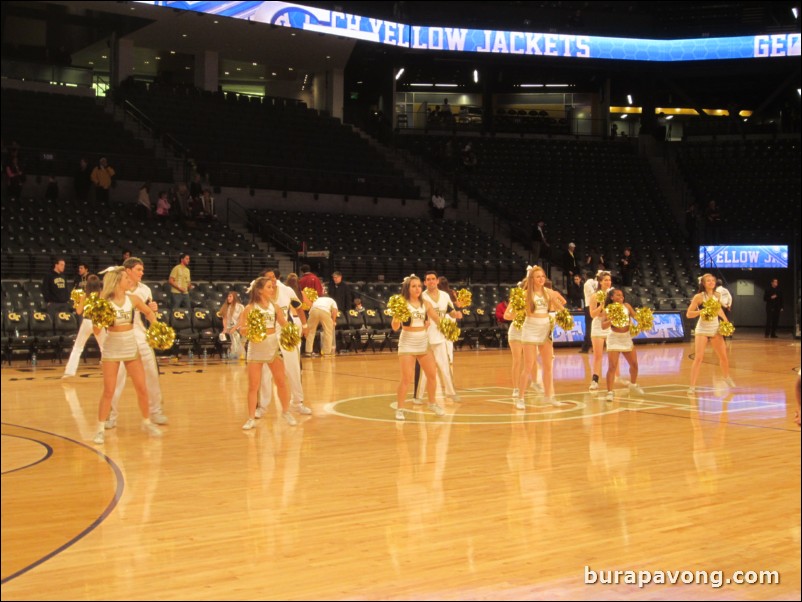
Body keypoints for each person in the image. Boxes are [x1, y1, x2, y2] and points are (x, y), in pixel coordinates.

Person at [91, 267, 162, 445]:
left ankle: (146, 422)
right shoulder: (104, 302)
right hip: (112, 348)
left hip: (131, 346)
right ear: (117, 282)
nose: (129, 281)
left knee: (141, 387)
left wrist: (155, 326)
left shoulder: (134, 299)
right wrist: (99, 318)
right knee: (108, 390)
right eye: (125, 278)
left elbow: (149, 312)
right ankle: (100, 428)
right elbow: (96, 330)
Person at [106, 257, 170, 429]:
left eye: (142, 270)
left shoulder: (145, 290)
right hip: (119, 335)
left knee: (151, 373)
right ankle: (111, 415)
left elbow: (149, 311)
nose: (142, 273)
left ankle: (155, 411)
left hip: (140, 334)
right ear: (127, 271)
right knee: (117, 377)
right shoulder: (113, 290)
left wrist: (154, 318)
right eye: (138, 270)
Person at [237, 277, 296, 430]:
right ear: (260, 290)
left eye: (272, 287)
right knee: (253, 386)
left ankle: (286, 412)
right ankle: (250, 418)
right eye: (269, 287)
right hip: (255, 350)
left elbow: (283, 323)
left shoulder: (274, 307)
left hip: (272, 348)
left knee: (281, 382)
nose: (272, 289)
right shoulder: (249, 308)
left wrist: (292, 331)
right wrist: (252, 330)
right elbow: (242, 329)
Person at [256, 269, 311, 418]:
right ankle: (262, 406)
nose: (272, 280)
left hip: (286, 330)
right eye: (268, 278)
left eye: (273, 277)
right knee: (265, 371)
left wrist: (305, 326)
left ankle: (298, 403)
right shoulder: (257, 294)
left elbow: (299, 308)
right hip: (266, 333)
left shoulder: (287, 291)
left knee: (294, 367)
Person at [391, 275, 443, 421]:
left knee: (432, 375)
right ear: (407, 288)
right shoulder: (402, 304)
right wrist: (397, 317)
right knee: (406, 378)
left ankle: (432, 403)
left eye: (419, 286)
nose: (417, 289)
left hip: (423, 342)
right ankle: (400, 409)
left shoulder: (425, 303)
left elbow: (437, 319)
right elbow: (395, 327)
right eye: (414, 286)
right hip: (407, 342)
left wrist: (448, 327)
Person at [516, 266, 564, 409]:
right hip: (530, 329)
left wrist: (562, 313)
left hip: (545, 329)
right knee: (529, 366)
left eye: (543, 276)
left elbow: (560, 306)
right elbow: (515, 311)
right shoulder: (525, 294)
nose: (541, 279)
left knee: (548, 365)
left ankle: (549, 396)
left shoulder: (548, 292)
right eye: (538, 277)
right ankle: (520, 398)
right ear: (532, 279)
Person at [413, 271, 462, 405]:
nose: (431, 281)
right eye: (428, 279)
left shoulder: (445, 296)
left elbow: (450, 312)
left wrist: (456, 314)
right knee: (425, 370)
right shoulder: (421, 297)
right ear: (424, 282)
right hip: (426, 337)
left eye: (433, 279)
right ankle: (418, 396)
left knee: (445, 366)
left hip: (441, 336)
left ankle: (451, 393)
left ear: (437, 281)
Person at [686, 273, 735, 394]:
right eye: (708, 281)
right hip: (702, 329)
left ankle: (726, 377)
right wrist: (701, 311)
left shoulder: (717, 295)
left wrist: (725, 320)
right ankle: (692, 386)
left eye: (712, 280)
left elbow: (718, 309)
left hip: (715, 328)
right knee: (698, 358)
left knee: (723, 356)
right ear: (703, 283)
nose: (711, 282)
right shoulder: (699, 297)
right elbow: (688, 314)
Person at [600, 288, 644, 402]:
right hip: (614, 338)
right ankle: (610, 392)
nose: (621, 297)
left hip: (626, 337)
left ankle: (633, 385)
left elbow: (636, 317)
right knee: (612, 366)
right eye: (618, 295)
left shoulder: (627, 306)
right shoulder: (608, 309)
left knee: (634, 364)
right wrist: (612, 319)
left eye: (622, 295)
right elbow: (603, 326)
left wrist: (643, 320)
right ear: (612, 297)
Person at [62, 274, 105, 378]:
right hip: (98, 321)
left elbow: (78, 311)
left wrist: (77, 302)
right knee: (104, 347)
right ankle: (108, 369)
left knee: (77, 347)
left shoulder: (84, 296)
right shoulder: (102, 295)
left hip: (87, 321)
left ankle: (69, 372)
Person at [588, 270, 614, 391]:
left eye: (609, 280)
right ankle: (595, 380)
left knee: (613, 354)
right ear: (600, 282)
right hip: (598, 326)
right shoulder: (594, 296)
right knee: (598, 355)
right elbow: (592, 314)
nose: (608, 282)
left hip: (610, 325)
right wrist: (601, 306)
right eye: (605, 280)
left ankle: (615, 378)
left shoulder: (614, 295)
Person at [220, 291, 245, 358]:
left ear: (235, 297)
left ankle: (239, 352)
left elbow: (241, 320)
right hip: (229, 327)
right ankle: (235, 353)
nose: (228, 298)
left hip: (238, 326)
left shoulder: (240, 307)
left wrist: (234, 328)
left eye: (230, 296)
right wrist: (224, 329)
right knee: (234, 334)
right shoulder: (226, 307)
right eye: (228, 296)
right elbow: (224, 319)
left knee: (240, 334)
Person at [579, 271, 597, 354]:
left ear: (586, 276)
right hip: (596, 306)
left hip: (589, 306)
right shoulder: (596, 283)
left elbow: (593, 294)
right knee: (594, 326)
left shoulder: (587, 284)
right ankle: (595, 347)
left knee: (589, 327)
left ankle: (586, 347)